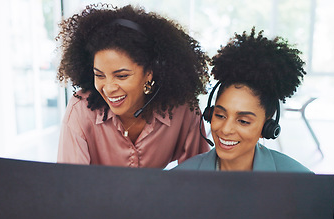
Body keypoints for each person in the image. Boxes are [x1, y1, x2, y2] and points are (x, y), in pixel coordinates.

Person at [56, 4, 211, 168]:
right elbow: (70, 186)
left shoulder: (182, 109)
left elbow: (197, 179)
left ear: (149, 73)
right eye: (99, 75)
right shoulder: (80, 110)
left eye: (121, 76)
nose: (108, 88)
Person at [175, 28, 311, 172]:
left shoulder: (300, 180)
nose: (226, 129)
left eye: (243, 121)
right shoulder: (179, 177)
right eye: (220, 116)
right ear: (209, 114)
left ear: (267, 126)